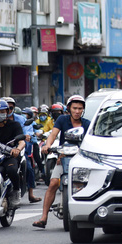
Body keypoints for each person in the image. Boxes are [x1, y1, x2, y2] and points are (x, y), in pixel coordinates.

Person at [33, 95, 91, 228]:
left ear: (83, 110)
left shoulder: (87, 124)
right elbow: (53, 135)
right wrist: (47, 145)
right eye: (75, 108)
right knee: (53, 183)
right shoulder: (62, 119)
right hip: (64, 157)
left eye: (80, 109)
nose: (77, 111)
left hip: (81, 160)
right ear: (69, 108)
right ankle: (44, 217)